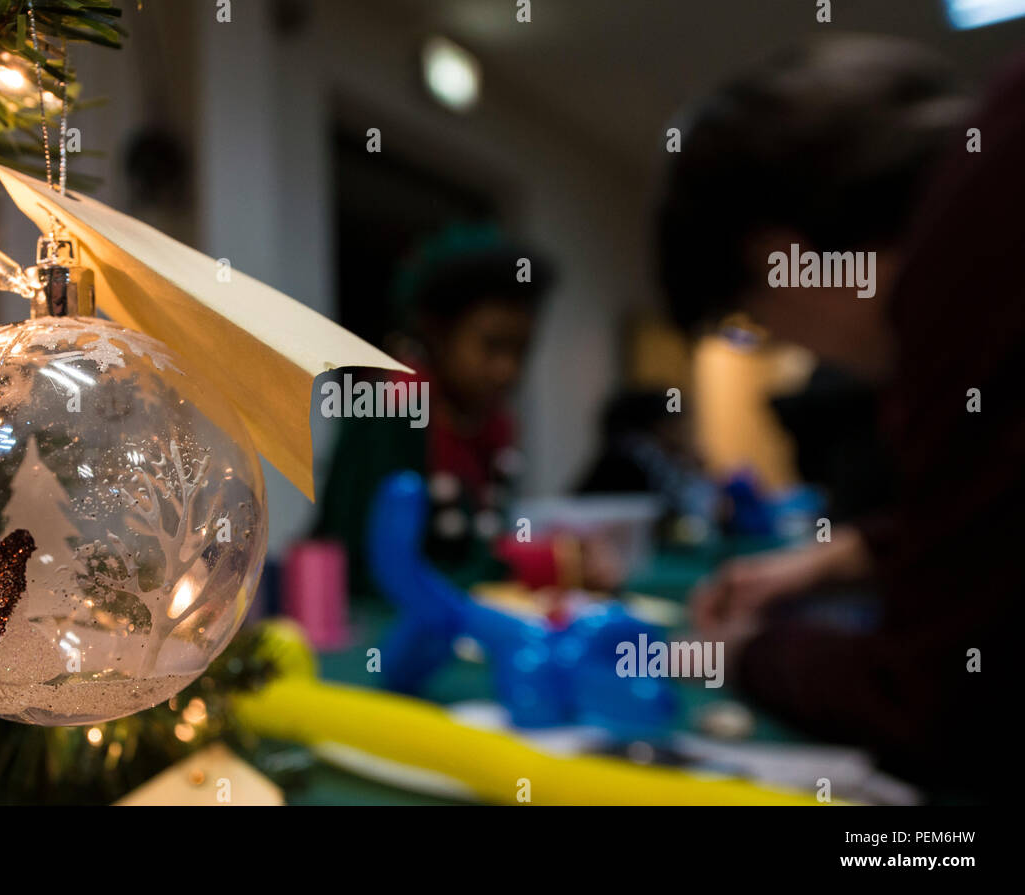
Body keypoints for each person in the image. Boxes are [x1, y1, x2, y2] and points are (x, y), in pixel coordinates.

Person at [658, 35, 1013, 792]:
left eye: (757, 320)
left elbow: (943, 708)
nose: (782, 346)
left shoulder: (958, 277)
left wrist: (747, 652)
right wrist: (843, 554)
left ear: (778, 256)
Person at [315, 224, 620, 598]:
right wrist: (544, 565)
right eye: (491, 347)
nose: (508, 369)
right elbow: (375, 576)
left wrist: (561, 555)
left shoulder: (491, 425)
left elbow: (476, 549)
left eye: (521, 350)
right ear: (437, 335)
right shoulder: (388, 409)